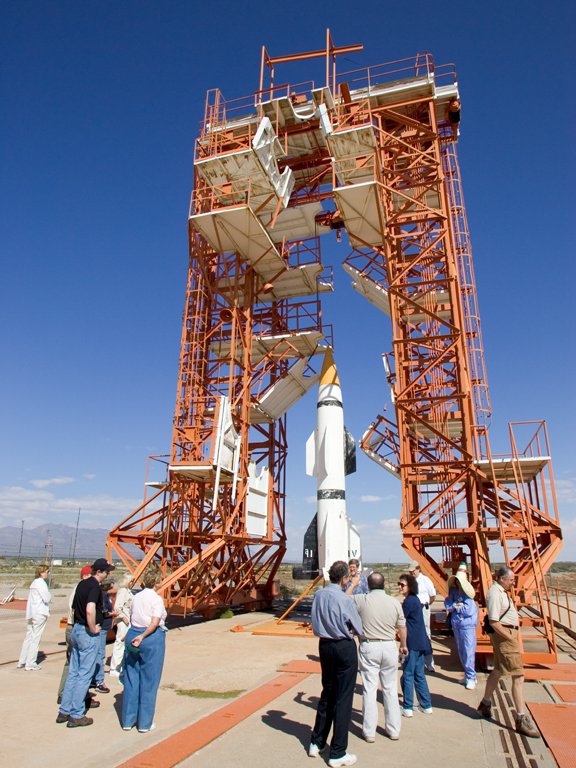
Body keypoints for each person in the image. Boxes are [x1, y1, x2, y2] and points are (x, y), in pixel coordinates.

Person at [309, 560, 362, 768]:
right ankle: (338, 752)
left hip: (324, 646)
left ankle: (317, 742)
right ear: (344, 577)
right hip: (343, 647)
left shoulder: (319, 595)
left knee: (327, 693)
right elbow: (357, 626)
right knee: (343, 698)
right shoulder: (345, 599)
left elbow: (314, 619)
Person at [477, 567, 539, 738]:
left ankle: (485, 703)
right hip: (505, 637)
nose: (513, 583)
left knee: (497, 671)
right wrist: (510, 637)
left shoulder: (501, 591)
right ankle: (520, 718)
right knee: (518, 676)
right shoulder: (495, 594)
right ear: (501, 579)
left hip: (505, 636)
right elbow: (494, 621)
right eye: (511, 580)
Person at [57, 558, 115, 728]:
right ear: (99, 572)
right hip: (87, 632)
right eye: (106, 571)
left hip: (76, 629)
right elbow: (90, 608)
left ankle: (64, 710)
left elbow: (75, 608)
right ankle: (77, 715)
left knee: (74, 672)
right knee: (85, 674)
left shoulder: (82, 585)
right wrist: (93, 628)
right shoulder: (95, 587)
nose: (107, 574)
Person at [353, 571, 407, 742]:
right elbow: (402, 627)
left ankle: (369, 732)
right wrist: (404, 645)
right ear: (383, 584)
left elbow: (343, 599)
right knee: (390, 689)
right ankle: (393, 730)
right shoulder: (394, 602)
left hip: (369, 646)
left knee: (369, 689)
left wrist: (354, 583)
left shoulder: (361, 599)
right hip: (390, 645)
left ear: (368, 585)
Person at [121, 566, 167, 733]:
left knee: (131, 678)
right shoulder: (156, 599)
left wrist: (133, 635)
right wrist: (143, 636)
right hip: (150, 637)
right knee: (149, 681)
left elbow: (133, 616)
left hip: (132, 634)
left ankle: (127, 720)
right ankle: (145, 724)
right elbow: (154, 623)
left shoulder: (136, 596)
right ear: (156, 582)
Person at [398, 573, 433, 717]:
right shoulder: (416, 600)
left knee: (407, 674)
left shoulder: (409, 602)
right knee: (419, 674)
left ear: (410, 586)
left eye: (402, 585)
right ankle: (426, 705)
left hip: (412, 642)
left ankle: (408, 707)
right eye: (399, 584)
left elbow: (401, 621)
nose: (400, 587)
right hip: (421, 641)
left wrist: (403, 643)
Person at [57, 564, 92, 702]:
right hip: (78, 627)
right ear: (85, 576)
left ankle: (70, 694)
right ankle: (69, 696)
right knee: (77, 664)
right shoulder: (82, 589)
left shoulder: (80, 588)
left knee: (75, 663)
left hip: (75, 627)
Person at [444, 563, 478, 689]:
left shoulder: (468, 594)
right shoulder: (453, 591)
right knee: (461, 651)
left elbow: (469, 609)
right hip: (457, 625)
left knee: (469, 651)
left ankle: (471, 677)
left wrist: (456, 608)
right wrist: (455, 606)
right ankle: (467, 675)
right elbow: (448, 604)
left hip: (467, 626)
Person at [17, 563, 51, 671]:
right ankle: (30, 662)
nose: (48, 574)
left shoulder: (34, 583)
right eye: (47, 572)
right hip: (39, 613)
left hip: (32, 612)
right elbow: (46, 598)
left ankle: (22, 660)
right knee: (35, 638)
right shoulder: (41, 583)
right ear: (42, 572)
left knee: (29, 637)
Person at [408, 561, 436, 671]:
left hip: (423, 608)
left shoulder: (425, 580)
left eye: (413, 571)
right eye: (410, 571)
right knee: (413, 634)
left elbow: (432, 595)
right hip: (413, 610)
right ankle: (416, 661)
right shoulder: (409, 581)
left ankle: (429, 663)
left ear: (418, 569)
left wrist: (426, 604)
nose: (411, 573)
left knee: (426, 634)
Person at [91, 576, 116, 693]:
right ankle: (99, 681)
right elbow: (103, 610)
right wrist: (113, 613)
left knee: (97, 653)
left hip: (103, 627)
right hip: (101, 627)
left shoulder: (103, 594)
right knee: (100, 654)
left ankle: (94, 678)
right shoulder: (102, 595)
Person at [110, 573, 133, 677]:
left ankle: (122, 665)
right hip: (123, 621)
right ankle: (114, 667)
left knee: (126, 643)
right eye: (131, 581)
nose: (133, 583)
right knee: (120, 642)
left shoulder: (128, 592)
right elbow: (117, 607)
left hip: (128, 620)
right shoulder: (123, 592)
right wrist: (123, 617)